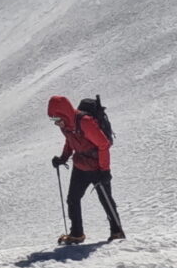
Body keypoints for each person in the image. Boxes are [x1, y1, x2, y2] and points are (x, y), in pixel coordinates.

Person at [47, 94, 123, 245]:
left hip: (96, 166)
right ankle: (76, 234)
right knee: (73, 199)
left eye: (56, 119)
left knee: (105, 200)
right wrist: (63, 158)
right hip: (80, 165)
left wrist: (104, 170)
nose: (56, 123)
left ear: (63, 114)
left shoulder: (85, 122)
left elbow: (103, 144)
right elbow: (70, 142)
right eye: (53, 120)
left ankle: (117, 232)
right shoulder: (67, 125)